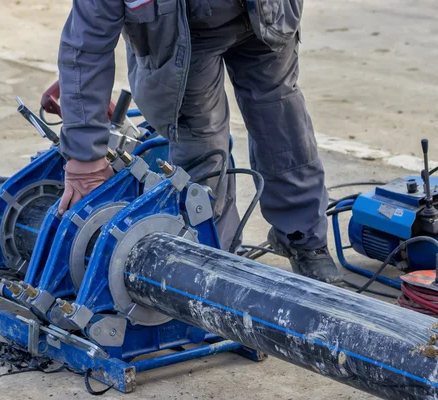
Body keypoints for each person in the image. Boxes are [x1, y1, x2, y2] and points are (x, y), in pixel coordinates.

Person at [53, 0, 342, 284]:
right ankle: (218, 264)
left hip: (263, 15)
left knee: (281, 121)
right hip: (182, 38)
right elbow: (85, 47)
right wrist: (85, 158)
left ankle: (303, 238)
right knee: (203, 147)